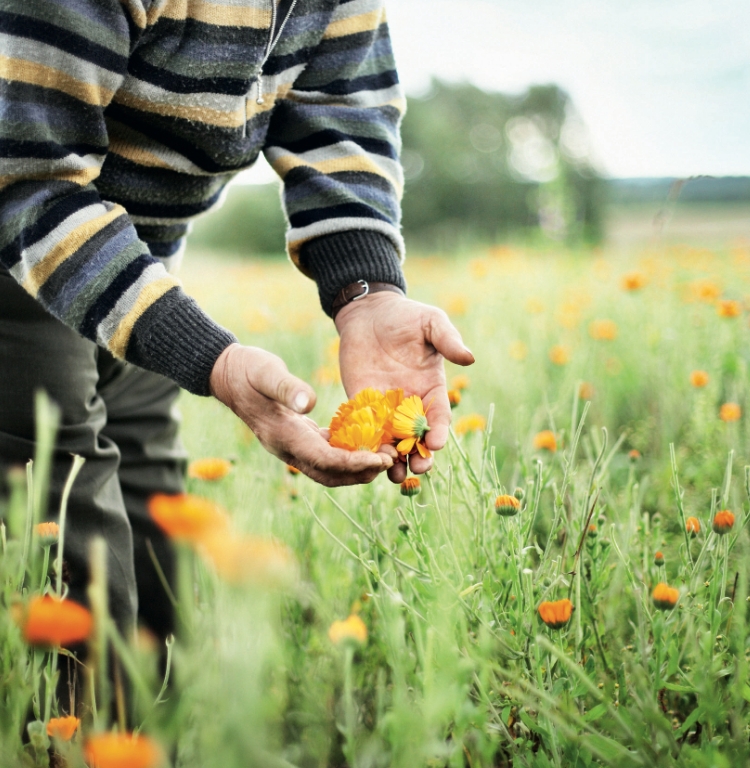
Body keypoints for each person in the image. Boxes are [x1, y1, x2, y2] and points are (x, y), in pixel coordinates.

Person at [0, 0, 473, 640]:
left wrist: (369, 296)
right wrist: (211, 360)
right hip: (18, 254)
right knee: (68, 526)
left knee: (156, 517)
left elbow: (342, 130)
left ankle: (160, 724)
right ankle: (72, 735)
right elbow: (29, 181)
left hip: (140, 262)